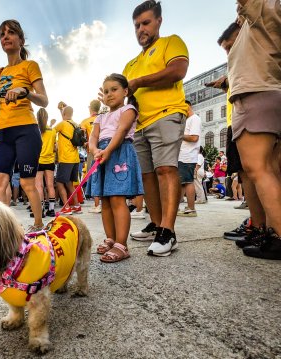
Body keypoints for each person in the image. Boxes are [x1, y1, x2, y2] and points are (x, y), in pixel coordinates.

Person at [227, 0, 281, 260]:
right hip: (276, 96)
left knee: (257, 169)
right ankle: (275, 233)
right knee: (269, 170)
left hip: (256, 95)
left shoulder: (263, 10)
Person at [124, 1, 189, 256]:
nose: (141, 29)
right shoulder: (130, 64)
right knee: (147, 176)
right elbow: (125, 96)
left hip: (166, 113)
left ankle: (168, 231)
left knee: (165, 169)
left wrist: (139, 81)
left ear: (159, 21)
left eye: (146, 22)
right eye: (137, 25)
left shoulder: (171, 42)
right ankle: (157, 223)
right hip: (140, 123)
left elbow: (178, 70)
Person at [0, 19, 48, 232]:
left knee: (28, 182)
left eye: (11, 33)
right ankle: (0, 229)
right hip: (3, 132)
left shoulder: (29, 66)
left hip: (26, 129)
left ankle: (38, 225)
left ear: (21, 39)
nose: (6, 37)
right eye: (2, 34)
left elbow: (44, 100)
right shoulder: (0, 73)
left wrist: (25, 92)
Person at [87, 74, 143, 263]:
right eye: (106, 91)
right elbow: (93, 138)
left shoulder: (129, 109)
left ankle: (121, 244)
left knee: (117, 198)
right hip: (102, 154)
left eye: (114, 89)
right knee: (105, 200)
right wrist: (95, 150)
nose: (109, 94)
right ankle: (110, 238)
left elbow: (121, 131)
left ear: (125, 91)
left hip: (118, 152)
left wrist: (108, 150)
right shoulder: (100, 117)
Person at [55, 106, 82, 215]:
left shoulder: (62, 124)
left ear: (63, 113)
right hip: (75, 158)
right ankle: (76, 205)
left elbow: (52, 132)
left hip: (65, 158)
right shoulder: (76, 124)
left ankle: (66, 207)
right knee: (70, 184)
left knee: (60, 182)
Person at [177, 101, 201, 217]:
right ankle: (179, 207)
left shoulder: (194, 119)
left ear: (187, 106)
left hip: (187, 155)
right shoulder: (188, 120)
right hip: (184, 155)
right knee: (182, 182)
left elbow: (194, 137)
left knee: (187, 182)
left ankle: (191, 209)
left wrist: (178, 135)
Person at [80, 99, 102, 213]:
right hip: (104, 149)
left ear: (90, 108)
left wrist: (84, 143)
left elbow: (81, 136)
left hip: (92, 152)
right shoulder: (104, 117)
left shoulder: (85, 121)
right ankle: (104, 203)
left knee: (93, 176)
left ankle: (97, 205)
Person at [35, 108, 57, 217]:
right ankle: (51, 210)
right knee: (50, 185)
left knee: (39, 185)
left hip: (38, 160)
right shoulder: (52, 131)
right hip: (50, 160)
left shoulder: (36, 129)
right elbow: (55, 147)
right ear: (47, 117)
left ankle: (41, 210)